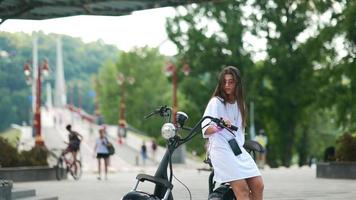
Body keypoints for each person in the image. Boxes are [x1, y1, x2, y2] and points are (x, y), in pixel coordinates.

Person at [202, 66, 264, 200]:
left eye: (231, 82)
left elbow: (240, 134)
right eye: (224, 82)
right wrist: (219, 125)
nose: (227, 85)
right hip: (221, 149)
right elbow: (205, 129)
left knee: (258, 185)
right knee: (242, 190)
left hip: (237, 150)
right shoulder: (216, 102)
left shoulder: (240, 104)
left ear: (237, 83)